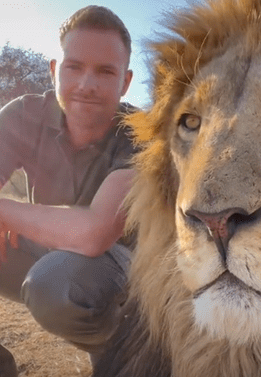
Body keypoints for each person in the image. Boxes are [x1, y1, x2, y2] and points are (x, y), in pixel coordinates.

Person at [0, 6, 135, 375]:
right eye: (74, 67)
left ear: (125, 82)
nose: (86, 85)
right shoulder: (23, 114)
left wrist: (6, 213)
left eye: (105, 72)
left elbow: (94, 234)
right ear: (54, 70)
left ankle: (126, 350)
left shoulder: (140, 135)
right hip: (43, 250)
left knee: (57, 286)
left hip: (115, 265)